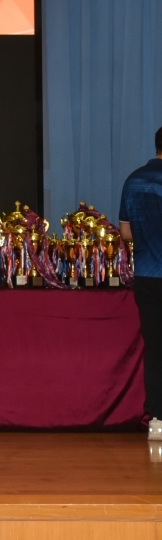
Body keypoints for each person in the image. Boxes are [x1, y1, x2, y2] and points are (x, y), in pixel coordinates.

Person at [119, 126, 162, 441]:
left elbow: (125, 232)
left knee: (155, 348)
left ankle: (157, 419)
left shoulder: (133, 180)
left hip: (147, 276)